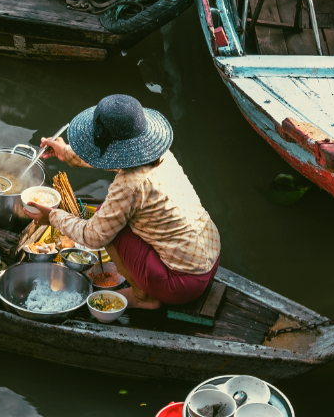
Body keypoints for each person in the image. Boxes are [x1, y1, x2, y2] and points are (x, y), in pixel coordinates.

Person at [25, 95, 221, 310]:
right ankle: (145, 287)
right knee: (110, 214)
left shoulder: (129, 185)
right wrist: (66, 152)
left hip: (182, 285)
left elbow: (93, 236)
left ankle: (142, 296)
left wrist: (52, 216)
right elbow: (116, 159)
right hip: (211, 260)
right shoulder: (161, 154)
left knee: (107, 227)